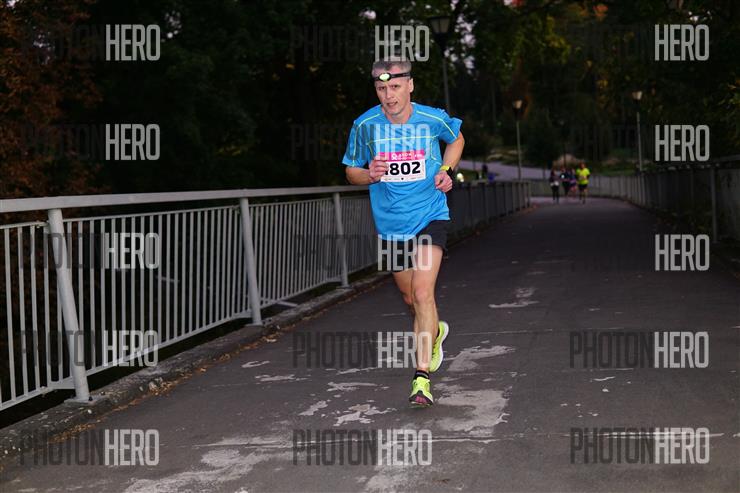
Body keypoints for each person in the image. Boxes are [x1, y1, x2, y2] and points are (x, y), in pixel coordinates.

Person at [342, 59, 465, 407]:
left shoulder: (431, 118)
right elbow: (350, 171)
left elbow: (456, 139)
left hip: (429, 216)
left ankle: (421, 378)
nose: (389, 95)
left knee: (423, 293)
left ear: (409, 85)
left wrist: (446, 170)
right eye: (381, 88)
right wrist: (369, 173)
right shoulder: (365, 125)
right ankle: (435, 331)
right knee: (411, 299)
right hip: (391, 226)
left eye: (395, 87)